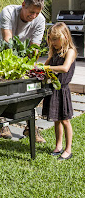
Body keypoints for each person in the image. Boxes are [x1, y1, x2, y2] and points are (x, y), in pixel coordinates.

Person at [0, 0, 46, 143]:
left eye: (37, 13)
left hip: (20, 55)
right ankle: (3, 124)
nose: (34, 16)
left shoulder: (40, 20)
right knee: (3, 89)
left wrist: (30, 68)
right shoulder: (8, 12)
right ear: (23, 5)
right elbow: (7, 41)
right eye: (31, 12)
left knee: (29, 90)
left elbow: (34, 48)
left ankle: (31, 127)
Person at [42, 22, 76, 160]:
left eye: (56, 39)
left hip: (63, 90)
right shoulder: (54, 52)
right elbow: (44, 65)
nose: (53, 42)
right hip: (53, 89)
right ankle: (58, 146)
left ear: (65, 37)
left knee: (65, 121)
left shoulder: (70, 51)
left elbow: (65, 68)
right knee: (56, 119)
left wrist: (46, 69)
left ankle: (68, 150)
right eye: (51, 39)